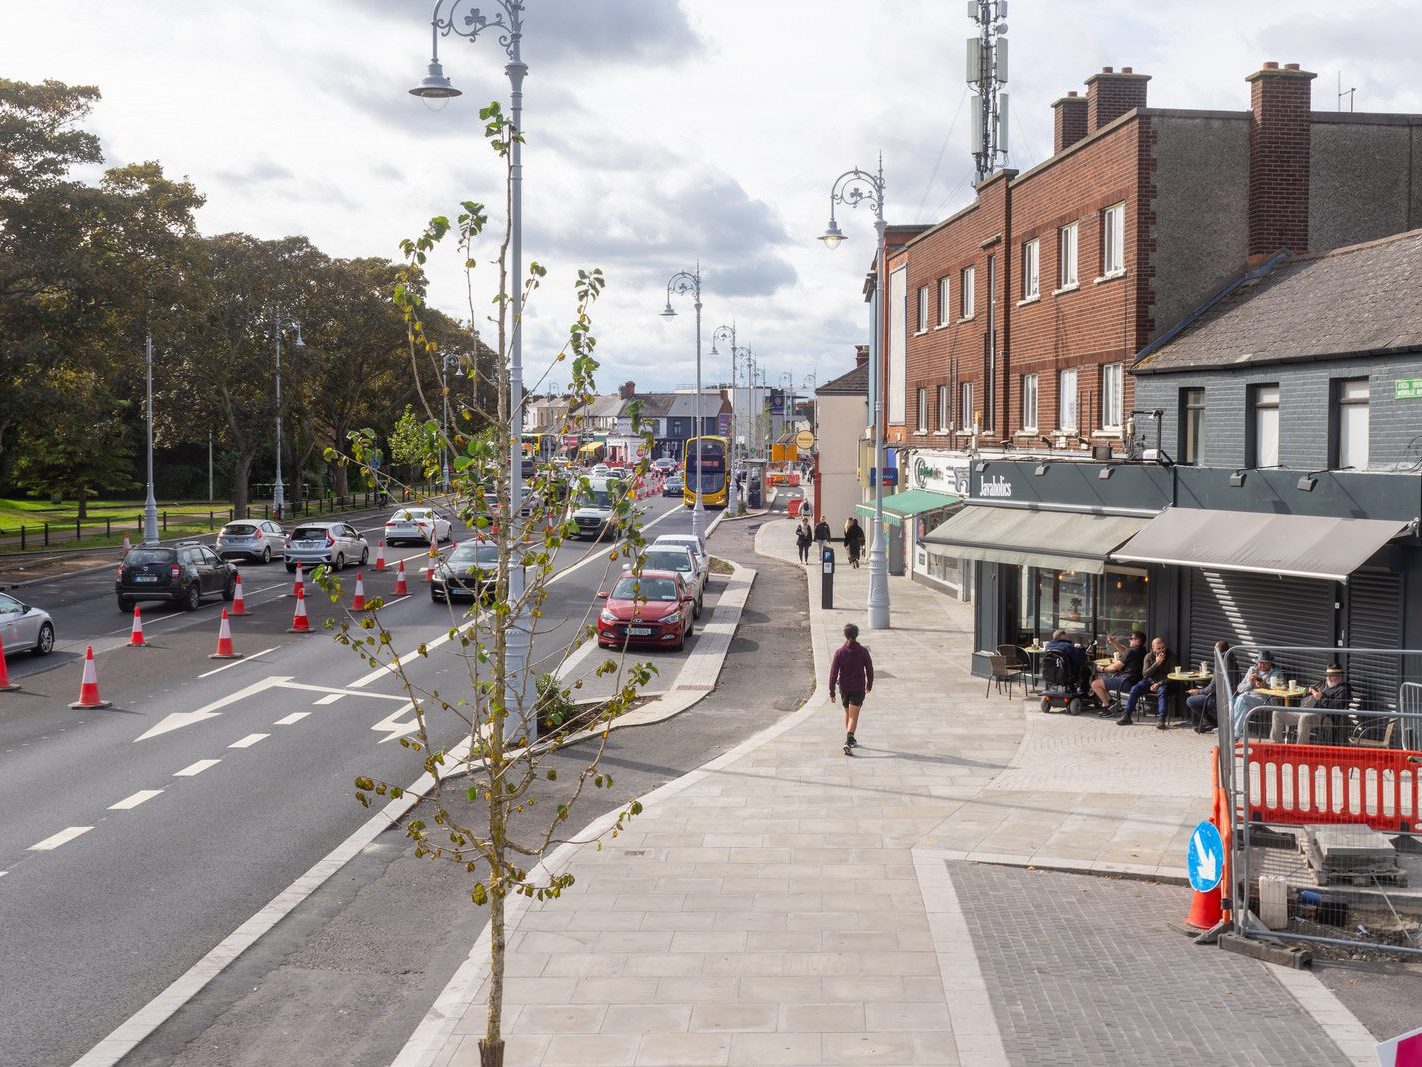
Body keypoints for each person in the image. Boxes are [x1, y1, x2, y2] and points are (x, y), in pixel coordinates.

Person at [1269, 664, 1353, 744]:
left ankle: (1300, 750)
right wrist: (1309, 690)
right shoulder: (1322, 683)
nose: (1329, 678)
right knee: (1277, 713)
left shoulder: (1344, 689)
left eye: (1332, 675)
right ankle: (1275, 746)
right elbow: (1304, 692)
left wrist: (1321, 698)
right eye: (1327, 675)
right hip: (1304, 710)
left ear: (1339, 676)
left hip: (1325, 717)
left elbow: (1336, 707)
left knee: (1305, 718)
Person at [828, 622, 874, 756]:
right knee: (854, 716)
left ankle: (850, 737)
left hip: (844, 688)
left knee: (848, 713)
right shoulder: (863, 651)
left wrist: (832, 691)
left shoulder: (839, 652)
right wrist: (869, 684)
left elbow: (833, 673)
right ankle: (848, 741)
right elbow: (869, 669)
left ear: (845, 635)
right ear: (857, 635)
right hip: (858, 688)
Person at [1118, 635, 1180, 728]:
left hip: (1164, 683)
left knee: (1162, 691)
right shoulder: (1148, 656)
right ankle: (1127, 716)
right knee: (1135, 688)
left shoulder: (1171, 657)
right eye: (1158, 648)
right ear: (1153, 648)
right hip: (1149, 681)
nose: (1162, 650)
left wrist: (1159, 684)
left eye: (1163, 648)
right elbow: (1145, 674)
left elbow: (1174, 676)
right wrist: (1157, 663)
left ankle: (1161, 719)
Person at [1090, 631, 1146, 715]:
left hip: (1125, 681)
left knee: (1095, 684)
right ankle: (1112, 703)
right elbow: (1126, 652)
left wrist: (1102, 669)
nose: (1129, 640)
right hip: (1135, 681)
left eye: (1131, 639)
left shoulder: (1132, 651)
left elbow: (1114, 667)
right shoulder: (1142, 650)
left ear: (1138, 640)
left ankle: (1107, 706)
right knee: (1102, 682)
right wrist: (1115, 643)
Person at [1186, 640, 1231, 733]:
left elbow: (1213, 687)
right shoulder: (1231, 660)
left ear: (1218, 651)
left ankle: (1213, 722)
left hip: (1220, 697)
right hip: (1228, 694)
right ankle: (1211, 722)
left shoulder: (1221, 663)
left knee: (1190, 700)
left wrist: (1199, 691)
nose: (1213, 652)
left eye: (1215, 649)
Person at [1231, 650, 1278, 731]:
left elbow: (1278, 689)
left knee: (1241, 699)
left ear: (1270, 663)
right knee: (1235, 702)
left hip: (1264, 700)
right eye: (1260, 662)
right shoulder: (1252, 670)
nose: (1262, 665)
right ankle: (1235, 733)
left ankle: (1230, 730)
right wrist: (1250, 684)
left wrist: (1266, 686)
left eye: (1265, 662)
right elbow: (1239, 688)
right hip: (1247, 699)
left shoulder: (1276, 673)